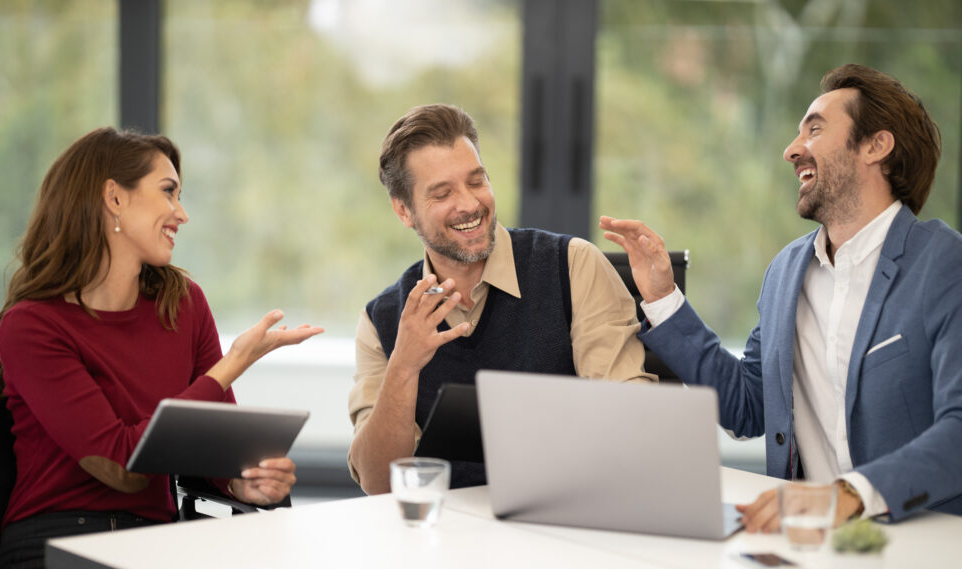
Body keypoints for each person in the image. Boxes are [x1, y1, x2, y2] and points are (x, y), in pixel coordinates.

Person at [0, 127, 326, 569]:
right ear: (113, 198)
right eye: (168, 192)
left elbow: (215, 447)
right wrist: (230, 365)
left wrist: (240, 480)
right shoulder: (33, 325)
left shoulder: (183, 303)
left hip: (159, 552)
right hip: (49, 562)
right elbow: (118, 465)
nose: (181, 213)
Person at [601, 64, 962, 532]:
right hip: (809, 542)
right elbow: (749, 406)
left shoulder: (944, 263)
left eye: (814, 129)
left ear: (876, 146)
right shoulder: (786, 273)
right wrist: (663, 298)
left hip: (925, 543)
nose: (792, 150)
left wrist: (850, 496)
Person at [348, 103, 653, 494]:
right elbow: (379, 484)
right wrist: (404, 366)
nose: (470, 204)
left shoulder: (573, 266)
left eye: (476, 181)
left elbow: (634, 420)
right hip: (444, 537)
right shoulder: (382, 322)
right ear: (404, 211)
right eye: (442, 193)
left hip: (567, 516)